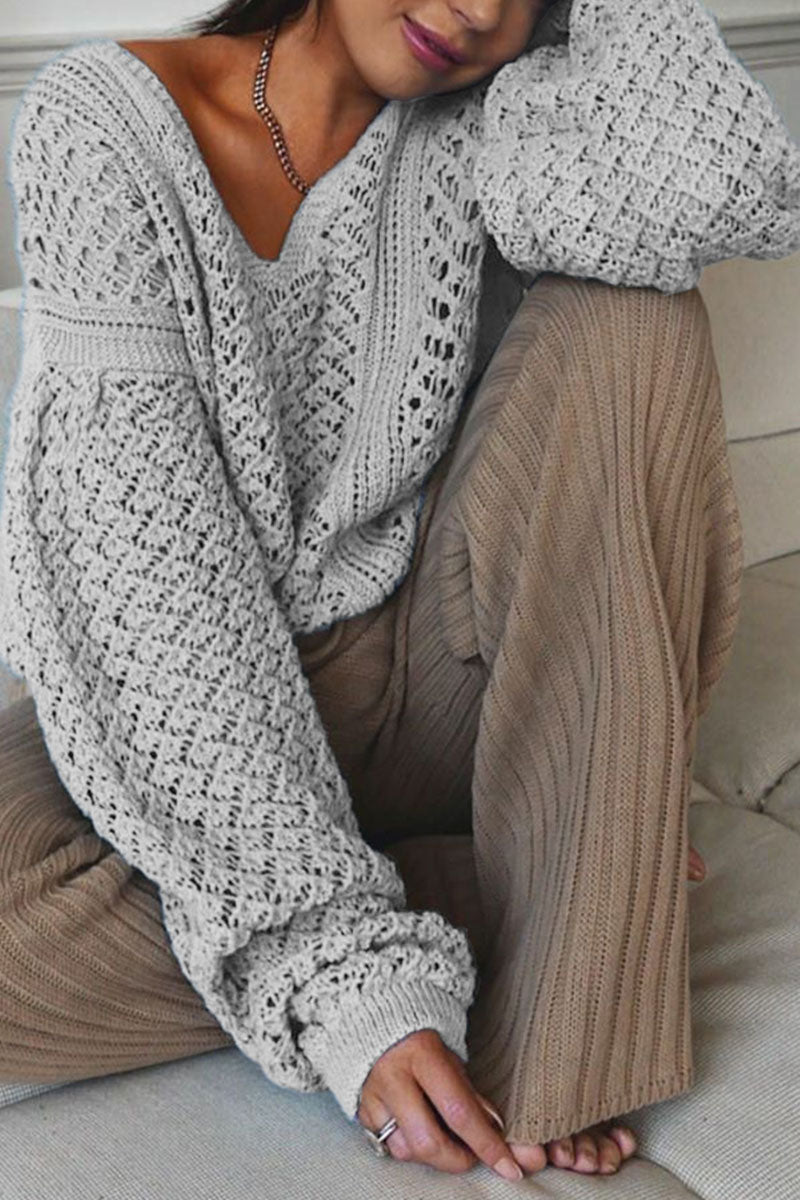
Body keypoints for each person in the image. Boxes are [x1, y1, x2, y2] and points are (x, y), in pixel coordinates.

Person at [1, 0, 795, 1183]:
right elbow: (146, 585)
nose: (479, 11)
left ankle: (572, 995)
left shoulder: (502, 119)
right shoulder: (102, 122)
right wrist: (345, 971)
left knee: (630, 312)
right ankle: (570, 865)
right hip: (205, 681)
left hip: (434, 673)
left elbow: (725, 187)